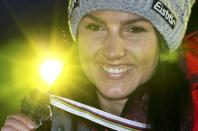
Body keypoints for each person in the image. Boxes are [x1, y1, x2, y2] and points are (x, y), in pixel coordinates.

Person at [1, 0, 196, 130]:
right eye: (96, 27)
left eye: (134, 29)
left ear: (161, 45)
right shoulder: (45, 117)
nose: (113, 51)